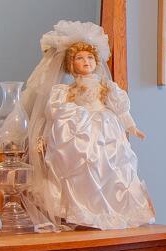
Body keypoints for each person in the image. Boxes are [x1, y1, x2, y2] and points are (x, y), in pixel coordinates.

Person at [11, 20, 155, 230]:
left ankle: (111, 208)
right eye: (80, 58)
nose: (86, 61)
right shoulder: (65, 90)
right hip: (79, 130)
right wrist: (44, 137)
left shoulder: (107, 87)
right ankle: (82, 207)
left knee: (111, 166)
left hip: (106, 130)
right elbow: (54, 113)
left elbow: (120, 108)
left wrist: (131, 127)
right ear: (71, 64)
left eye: (89, 57)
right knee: (81, 162)